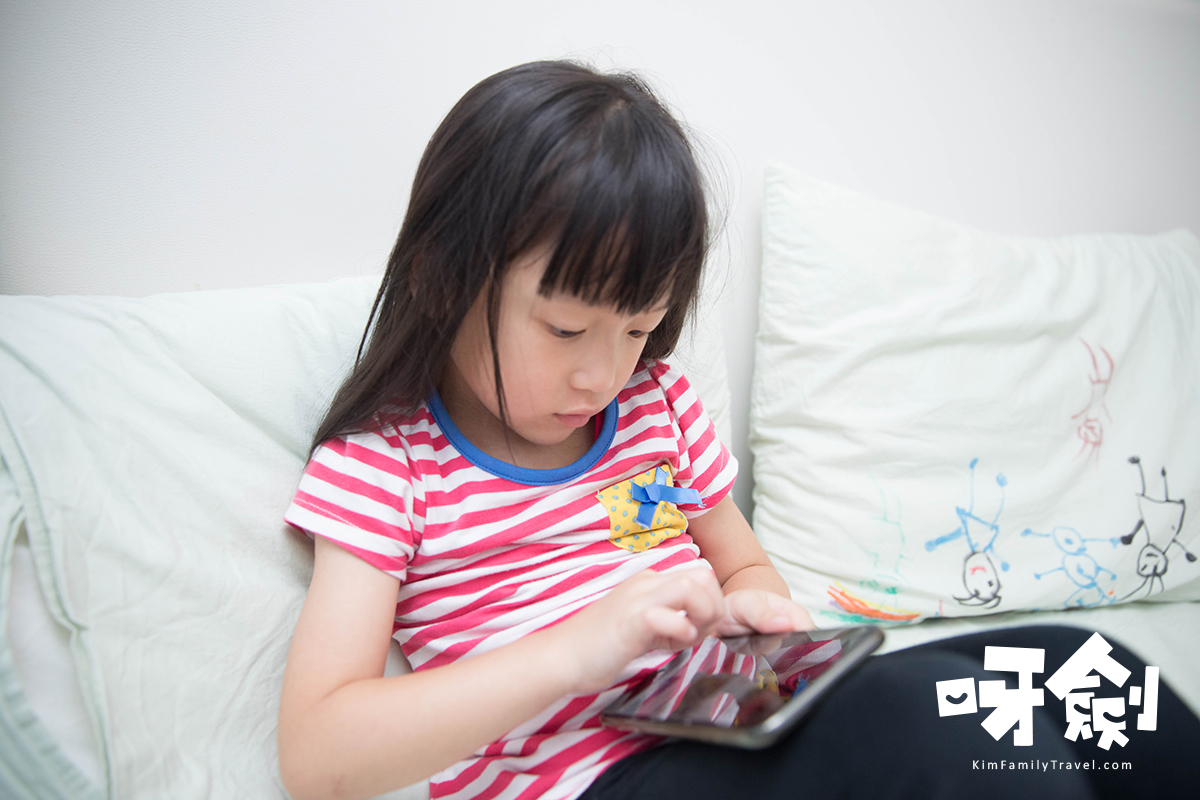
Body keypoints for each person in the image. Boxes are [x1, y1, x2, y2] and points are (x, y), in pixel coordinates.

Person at [277, 60, 1199, 800]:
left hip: (728, 725)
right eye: (564, 331)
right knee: (932, 725)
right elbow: (318, 755)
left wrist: (759, 613)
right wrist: (574, 652)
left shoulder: (654, 406)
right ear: (446, 275)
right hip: (591, 780)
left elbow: (743, 566)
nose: (602, 376)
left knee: (1077, 671)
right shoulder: (388, 466)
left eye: (637, 330)